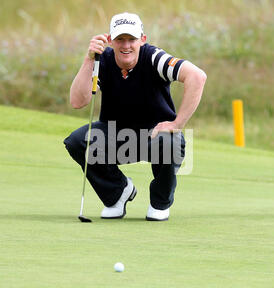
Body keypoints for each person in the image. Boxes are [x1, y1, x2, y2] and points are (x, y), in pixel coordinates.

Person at [64, 12, 206, 221]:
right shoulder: (102, 61)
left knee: (169, 141)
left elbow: (197, 76)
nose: (126, 45)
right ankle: (118, 192)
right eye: (120, 39)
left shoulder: (154, 58)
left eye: (132, 39)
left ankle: (160, 203)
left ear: (143, 39)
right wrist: (88, 59)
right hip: (118, 138)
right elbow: (78, 101)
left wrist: (178, 123)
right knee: (77, 142)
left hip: (155, 137)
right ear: (110, 40)